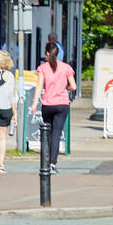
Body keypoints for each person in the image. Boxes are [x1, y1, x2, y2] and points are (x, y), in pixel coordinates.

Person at [36, 42, 77, 171]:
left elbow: (39, 86)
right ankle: (52, 164)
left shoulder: (42, 68)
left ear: (47, 53)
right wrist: (66, 88)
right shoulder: (66, 68)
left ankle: (45, 162)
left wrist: (33, 103)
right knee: (56, 134)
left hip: (47, 104)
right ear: (58, 53)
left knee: (47, 134)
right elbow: (74, 87)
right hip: (62, 104)